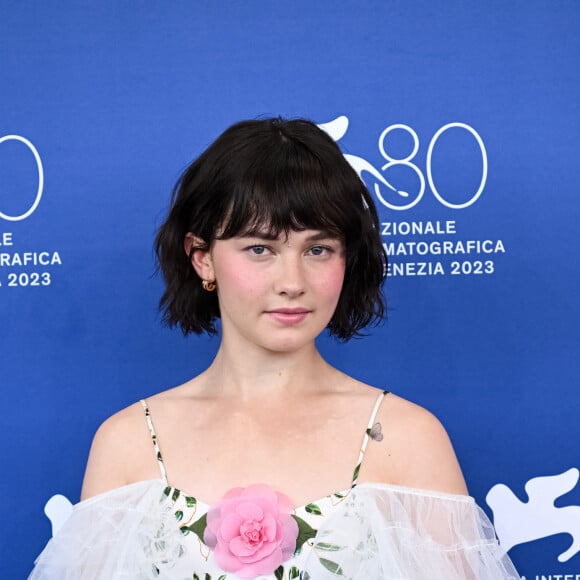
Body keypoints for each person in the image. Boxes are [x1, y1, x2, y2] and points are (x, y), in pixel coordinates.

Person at [29, 118, 519, 579]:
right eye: (260, 249)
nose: (292, 282)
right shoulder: (129, 442)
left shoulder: (409, 438)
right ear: (202, 259)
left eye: (318, 249)